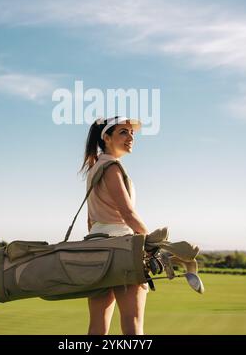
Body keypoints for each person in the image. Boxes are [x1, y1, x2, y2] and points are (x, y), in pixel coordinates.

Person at [79, 116, 150, 335]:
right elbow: (128, 214)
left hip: (95, 249)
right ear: (107, 138)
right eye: (123, 132)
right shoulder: (112, 167)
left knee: (97, 326)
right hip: (123, 249)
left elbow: (91, 221)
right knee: (133, 324)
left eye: (132, 133)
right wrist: (151, 240)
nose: (130, 137)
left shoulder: (95, 168)